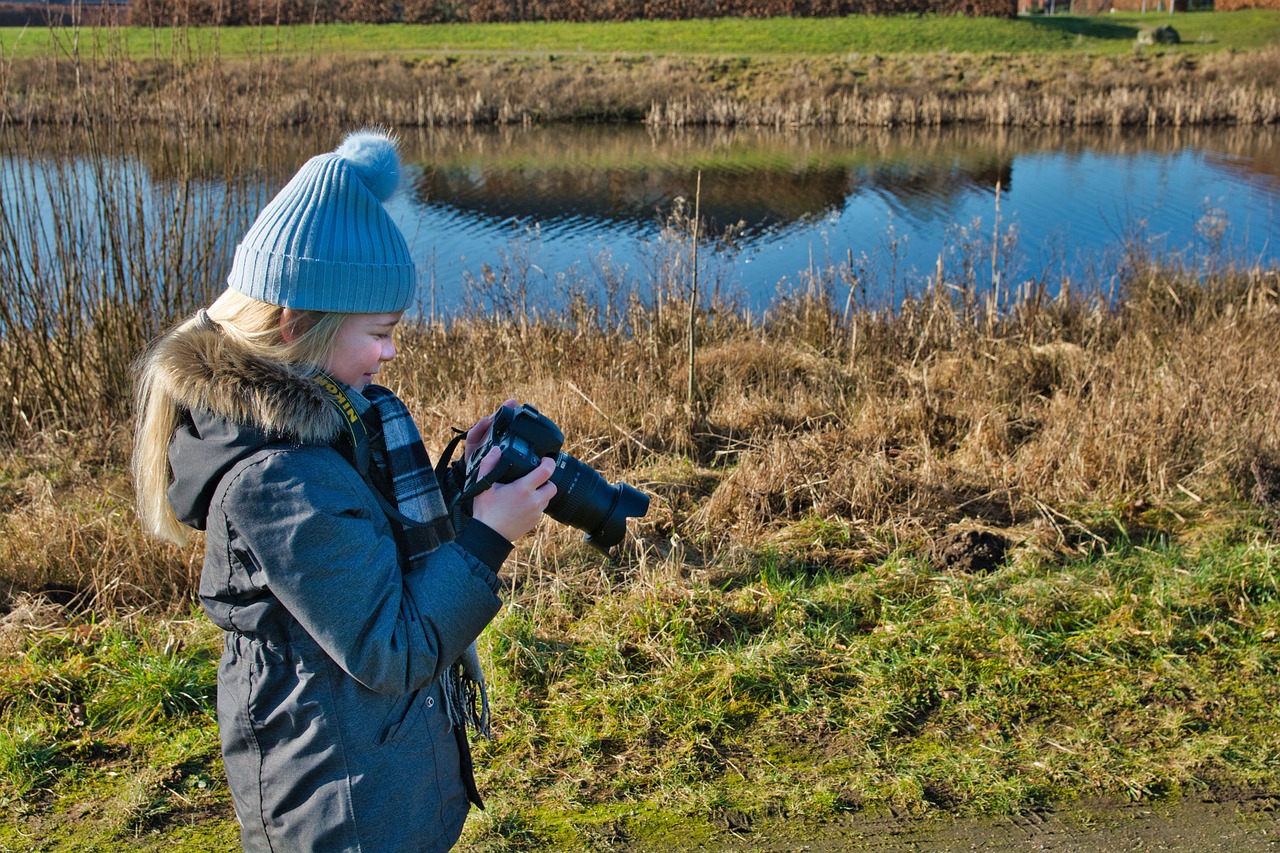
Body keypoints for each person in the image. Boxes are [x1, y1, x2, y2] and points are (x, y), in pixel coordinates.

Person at [131, 128, 556, 852]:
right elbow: (392, 645)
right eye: (382, 332)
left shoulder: (330, 426)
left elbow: (370, 548)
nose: (392, 352)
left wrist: (462, 488)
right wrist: (488, 535)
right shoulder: (276, 478)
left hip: (379, 773)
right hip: (339, 808)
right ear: (299, 324)